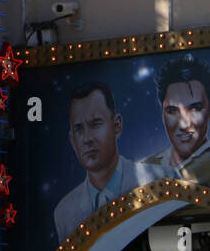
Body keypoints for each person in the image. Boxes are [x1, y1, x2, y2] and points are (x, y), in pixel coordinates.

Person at [53, 83, 157, 240]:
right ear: (72, 140)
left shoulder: (160, 181)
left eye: (95, 124)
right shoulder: (64, 212)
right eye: (79, 129)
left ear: (117, 125)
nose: (87, 139)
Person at [141, 54, 210, 196]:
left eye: (195, 108)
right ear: (162, 113)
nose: (183, 124)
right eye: (172, 111)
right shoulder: (144, 168)